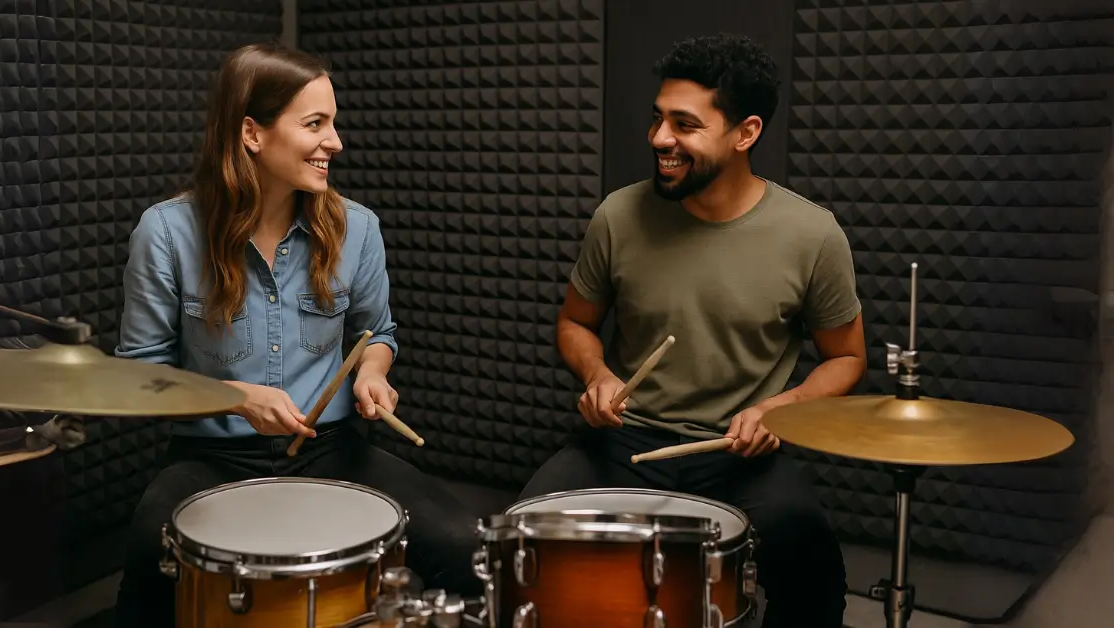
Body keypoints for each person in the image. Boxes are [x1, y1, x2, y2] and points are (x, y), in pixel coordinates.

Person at [112, 43, 481, 626]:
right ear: (252, 133)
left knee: (465, 546)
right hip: (212, 456)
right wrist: (236, 397)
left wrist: (372, 372)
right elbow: (139, 374)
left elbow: (377, 333)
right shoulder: (164, 233)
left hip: (331, 448)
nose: (336, 142)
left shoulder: (358, 228)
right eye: (315, 124)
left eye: (333, 123)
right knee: (148, 568)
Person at [519, 34, 866, 628]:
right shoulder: (619, 216)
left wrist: (778, 410)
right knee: (525, 542)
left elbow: (847, 357)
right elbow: (575, 322)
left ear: (745, 133)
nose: (659, 138)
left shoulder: (812, 235)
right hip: (623, 441)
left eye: (684, 125)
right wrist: (597, 374)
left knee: (814, 575)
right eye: (658, 118)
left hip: (738, 453)